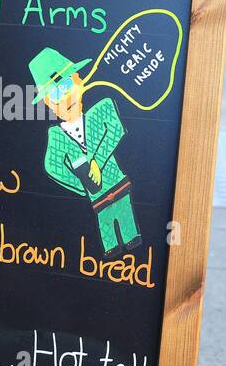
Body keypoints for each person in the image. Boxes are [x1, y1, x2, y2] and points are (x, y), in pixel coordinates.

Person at [28, 47, 142, 257]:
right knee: (105, 220)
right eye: (55, 94)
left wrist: (96, 162)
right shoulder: (56, 137)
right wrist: (80, 184)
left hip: (116, 180)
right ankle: (111, 248)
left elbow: (115, 130)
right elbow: (52, 166)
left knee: (125, 212)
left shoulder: (102, 109)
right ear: (48, 104)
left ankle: (131, 237)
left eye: (67, 84)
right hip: (95, 195)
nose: (65, 97)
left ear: (79, 82)